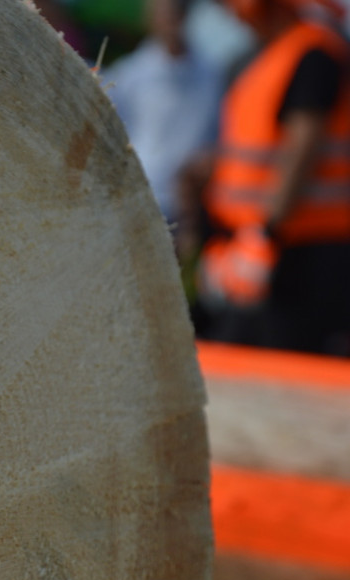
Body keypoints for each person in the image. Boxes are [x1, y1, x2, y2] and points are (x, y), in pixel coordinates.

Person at [195, 0, 350, 354]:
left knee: (291, 368)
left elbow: (302, 148)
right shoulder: (270, 57)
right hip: (259, 249)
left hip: (303, 256)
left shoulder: (313, 53)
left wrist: (264, 236)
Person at [107, 0, 222, 227]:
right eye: (164, 14)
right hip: (142, 197)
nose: (171, 21)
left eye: (176, 12)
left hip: (192, 204)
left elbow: (216, 133)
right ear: (150, 19)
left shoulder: (210, 73)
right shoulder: (131, 74)